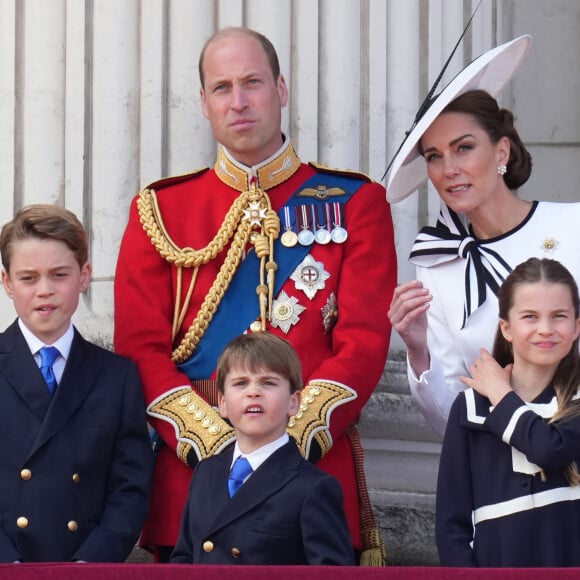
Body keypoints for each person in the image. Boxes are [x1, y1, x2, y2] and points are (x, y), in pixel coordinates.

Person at [114, 27, 396, 562]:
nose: (238, 101)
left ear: (282, 90)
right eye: (222, 88)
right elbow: (138, 347)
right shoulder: (160, 210)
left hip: (310, 477)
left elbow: (362, 341)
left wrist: (281, 443)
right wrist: (218, 444)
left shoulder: (356, 202)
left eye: (253, 83)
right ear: (203, 102)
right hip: (194, 488)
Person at [386, 35, 580, 436]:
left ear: (502, 153)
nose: (448, 169)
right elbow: (448, 418)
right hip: (500, 475)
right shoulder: (437, 265)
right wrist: (418, 350)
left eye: (464, 148)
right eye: (435, 156)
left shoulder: (572, 226)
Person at [0, 204, 154, 563]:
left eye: (59, 275)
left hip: (85, 566)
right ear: (7, 282)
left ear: (84, 276)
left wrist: (89, 565)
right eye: (28, 277)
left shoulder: (117, 377)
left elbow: (129, 489)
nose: (45, 290)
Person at [436, 257, 580, 567]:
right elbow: (451, 527)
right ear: (507, 328)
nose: (546, 329)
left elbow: (548, 449)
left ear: (576, 327)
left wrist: (501, 395)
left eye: (559, 316)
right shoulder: (470, 408)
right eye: (530, 316)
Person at [170, 332, 355, 565]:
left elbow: (332, 573)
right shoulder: (205, 473)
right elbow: (184, 559)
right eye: (240, 383)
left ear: (293, 402)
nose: (253, 392)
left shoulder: (313, 488)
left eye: (268, 383)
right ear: (223, 404)